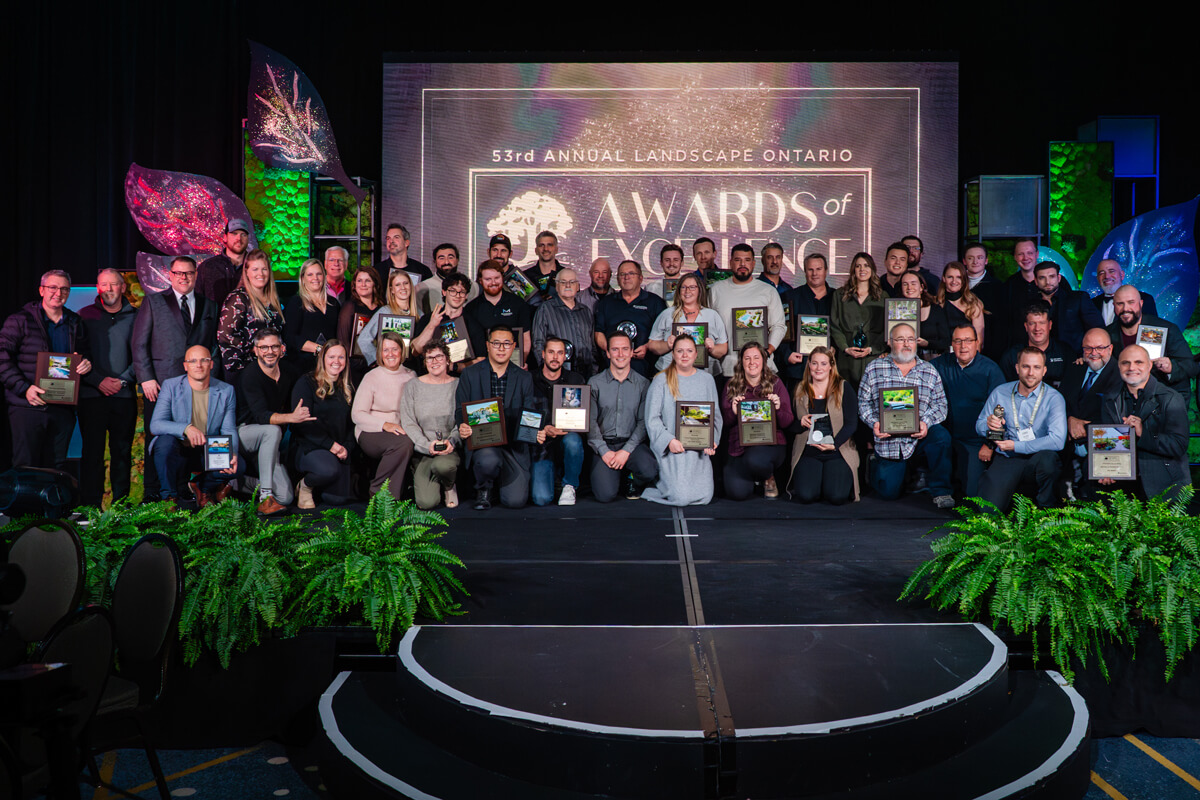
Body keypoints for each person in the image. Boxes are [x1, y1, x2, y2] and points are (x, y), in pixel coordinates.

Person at [132, 255, 219, 501]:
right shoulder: (153, 302)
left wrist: (210, 381)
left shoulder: (209, 305)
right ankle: (152, 492)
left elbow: (213, 347)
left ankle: (181, 490)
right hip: (159, 385)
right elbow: (139, 343)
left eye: (189, 273)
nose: (184, 277)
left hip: (197, 384)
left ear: (195, 275)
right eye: (179, 273)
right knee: (158, 438)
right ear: (170, 275)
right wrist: (146, 378)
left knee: (190, 438)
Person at [0, 270, 92, 470]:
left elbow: (84, 354)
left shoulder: (75, 322)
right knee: (26, 465)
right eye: (53, 287)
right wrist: (25, 389)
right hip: (27, 406)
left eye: (64, 289)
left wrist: (86, 363)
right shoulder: (19, 321)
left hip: (62, 408)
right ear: (41, 290)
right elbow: (2, 359)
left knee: (57, 467)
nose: (58, 293)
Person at [858, 323, 954, 508]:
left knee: (941, 437)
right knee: (888, 493)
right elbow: (863, 403)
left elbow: (941, 405)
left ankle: (941, 491)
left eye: (910, 339)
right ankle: (882, 465)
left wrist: (926, 423)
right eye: (900, 339)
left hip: (919, 438)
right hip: (889, 440)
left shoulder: (929, 370)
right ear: (890, 342)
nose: (906, 344)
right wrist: (875, 423)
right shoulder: (874, 368)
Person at [975, 348, 1067, 513]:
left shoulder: (1054, 398)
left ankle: (1046, 512)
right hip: (1007, 458)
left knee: (1049, 462)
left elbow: (1058, 440)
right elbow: (979, 425)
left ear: (1044, 370)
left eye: (1036, 367)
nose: (1031, 373)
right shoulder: (1000, 392)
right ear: (1017, 368)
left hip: (1037, 457)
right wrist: (988, 425)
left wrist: (1015, 446)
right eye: (1026, 367)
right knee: (987, 513)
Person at [455, 325, 536, 509]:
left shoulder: (524, 377)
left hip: (513, 446)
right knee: (488, 460)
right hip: (484, 443)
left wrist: (534, 432)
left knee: (515, 502)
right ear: (488, 345)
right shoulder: (470, 374)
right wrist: (462, 425)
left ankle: (500, 484)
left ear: (513, 346)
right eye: (496, 343)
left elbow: (529, 413)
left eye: (506, 344)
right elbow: (461, 409)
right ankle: (484, 488)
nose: (501, 348)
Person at [148, 345, 239, 509]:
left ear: (211, 364)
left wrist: (232, 452)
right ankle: (169, 498)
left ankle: (202, 487)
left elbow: (228, 429)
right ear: (185, 366)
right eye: (193, 361)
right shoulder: (171, 386)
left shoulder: (226, 390)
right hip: (179, 448)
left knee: (238, 466)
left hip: (207, 448)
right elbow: (156, 424)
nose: (199, 365)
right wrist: (186, 428)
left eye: (204, 360)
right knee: (164, 443)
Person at [1097, 345, 1191, 503]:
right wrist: (1105, 468)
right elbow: (1109, 441)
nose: (1131, 368)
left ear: (1149, 365)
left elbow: (1178, 445)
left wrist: (1143, 433)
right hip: (1123, 486)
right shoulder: (1110, 398)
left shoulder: (1171, 398)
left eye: (1138, 362)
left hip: (1164, 486)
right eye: (1125, 363)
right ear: (1119, 366)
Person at [77, 269, 137, 508]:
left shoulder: (138, 316)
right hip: (92, 396)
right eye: (104, 284)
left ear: (123, 287)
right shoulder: (84, 316)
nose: (109, 289)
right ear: (97, 287)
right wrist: (98, 381)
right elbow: (77, 355)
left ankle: (120, 508)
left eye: (114, 284)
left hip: (124, 396)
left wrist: (123, 380)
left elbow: (142, 355)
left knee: (122, 453)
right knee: (92, 454)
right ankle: (90, 508)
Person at [641, 335, 721, 506]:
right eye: (680, 351)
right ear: (673, 354)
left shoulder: (707, 380)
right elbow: (652, 419)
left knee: (705, 497)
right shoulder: (661, 380)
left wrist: (712, 440)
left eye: (689, 351)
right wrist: (669, 441)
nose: (685, 355)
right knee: (681, 497)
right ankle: (653, 485)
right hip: (673, 449)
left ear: (696, 354)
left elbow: (715, 417)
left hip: (698, 450)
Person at [236, 330, 309, 514]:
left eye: (274, 346)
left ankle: (233, 483)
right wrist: (292, 417)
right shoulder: (250, 375)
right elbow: (261, 416)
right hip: (244, 434)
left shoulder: (289, 371)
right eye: (264, 347)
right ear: (256, 350)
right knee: (272, 429)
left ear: (282, 349)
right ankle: (265, 498)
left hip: (270, 442)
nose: (270, 351)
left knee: (285, 497)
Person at [931, 325, 1006, 498]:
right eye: (958, 341)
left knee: (972, 495)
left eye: (968, 341)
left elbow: (1001, 411)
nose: (963, 346)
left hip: (975, 441)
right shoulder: (940, 364)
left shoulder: (991, 370)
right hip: (946, 437)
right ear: (952, 344)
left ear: (976, 343)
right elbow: (914, 367)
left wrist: (989, 444)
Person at [587, 332, 659, 502]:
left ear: (632, 352)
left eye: (625, 349)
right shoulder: (594, 383)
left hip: (632, 444)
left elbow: (643, 423)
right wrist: (604, 451)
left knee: (649, 470)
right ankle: (617, 475)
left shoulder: (643, 384)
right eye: (615, 349)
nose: (620, 354)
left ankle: (631, 477)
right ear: (608, 353)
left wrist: (626, 451)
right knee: (605, 495)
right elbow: (590, 421)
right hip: (605, 444)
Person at [721, 342, 794, 500]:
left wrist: (777, 408)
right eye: (747, 358)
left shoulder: (776, 383)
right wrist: (733, 412)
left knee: (755, 459)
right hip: (740, 447)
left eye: (756, 357)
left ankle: (768, 476)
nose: (752, 362)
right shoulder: (731, 385)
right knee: (737, 494)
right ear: (741, 362)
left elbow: (787, 422)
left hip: (769, 446)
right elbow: (725, 422)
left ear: (763, 361)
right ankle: (755, 477)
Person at [787, 346, 859, 504]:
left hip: (837, 451)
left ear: (831, 366)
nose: (818, 368)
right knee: (806, 496)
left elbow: (851, 424)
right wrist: (801, 423)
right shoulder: (800, 389)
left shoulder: (843, 388)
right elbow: (789, 424)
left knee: (837, 497)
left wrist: (834, 444)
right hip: (808, 451)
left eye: (823, 363)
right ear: (809, 365)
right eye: (814, 363)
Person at [352, 331, 418, 501]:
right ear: (380, 353)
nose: (390, 354)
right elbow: (357, 414)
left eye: (394, 349)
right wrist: (384, 425)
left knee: (405, 442)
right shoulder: (371, 377)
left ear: (402, 351)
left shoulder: (411, 375)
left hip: (401, 429)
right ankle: (377, 490)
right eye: (385, 350)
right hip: (371, 430)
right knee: (403, 444)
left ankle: (388, 500)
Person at [290, 339, 355, 509]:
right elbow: (302, 424)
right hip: (310, 446)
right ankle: (305, 485)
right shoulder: (306, 383)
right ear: (322, 359)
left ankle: (323, 483)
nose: (336, 361)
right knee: (328, 470)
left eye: (341, 357)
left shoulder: (348, 387)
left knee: (337, 499)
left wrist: (346, 448)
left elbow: (352, 424)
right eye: (331, 357)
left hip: (338, 448)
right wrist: (331, 445)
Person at [707, 244, 786, 378]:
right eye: (738, 260)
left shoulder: (768, 291)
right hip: (727, 369)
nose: (742, 264)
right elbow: (711, 327)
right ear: (731, 263)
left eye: (747, 260)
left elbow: (779, 326)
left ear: (753, 263)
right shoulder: (716, 290)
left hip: (762, 369)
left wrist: (766, 352)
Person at [399, 341, 461, 510]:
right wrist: (426, 445)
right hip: (424, 451)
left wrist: (452, 441)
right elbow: (408, 422)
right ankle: (419, 472)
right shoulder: (413, 386)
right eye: (429, 358)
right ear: (425, 363)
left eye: (439, 356)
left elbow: (463, 419)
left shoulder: (458, 384)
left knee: (442, 466)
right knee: (426, 503)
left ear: (447, 360)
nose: (434, 361)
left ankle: (449, 486)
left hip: (449, 449)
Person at [1060, 328, 1121, 499]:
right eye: (1088, 348)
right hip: (1068, 449)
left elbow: (1118, 419)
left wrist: (1085, 427)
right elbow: (1060, 402)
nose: (1094, 353)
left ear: (1110, 349)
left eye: (1100, 348)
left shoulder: (1120, 374)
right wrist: (1069, 420)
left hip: (1102, 448)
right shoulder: (1075, 369)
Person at [1106, 285, 1196, 396]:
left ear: (1141, 304)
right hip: (1126, 397)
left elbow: (1191, 367)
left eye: (1131, 302)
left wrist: (1171, 368)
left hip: (1165, 396)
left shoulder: (1166, 329)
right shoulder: (1108, 333)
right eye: (1120, 304)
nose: (1125, 309)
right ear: (1114, 306)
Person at [529, 337, 586, 506]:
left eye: (560, 353)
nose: (555, 357)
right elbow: (523, 414)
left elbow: (582, 418)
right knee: (541, 499)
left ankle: (569, 485)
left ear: (565, 356)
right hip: (541, 444)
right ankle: (553, 478)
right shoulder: (529, 379)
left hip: (566, 438)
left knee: (573, 441)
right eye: (551, 352)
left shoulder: (575, 380)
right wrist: (544, 428)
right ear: (543, 354)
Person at [217, 249, 283, 382]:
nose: (260, 274)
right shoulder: (238, 298)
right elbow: (225, 336)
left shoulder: (272, 300)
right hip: (244, 370)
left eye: (264, 269)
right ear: (246, 272)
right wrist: (256, 348)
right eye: (255, 269)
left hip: (270, 368)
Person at [593, 260, 667, 378]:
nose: (626, 277)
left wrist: (647, 347)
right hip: (612, 369)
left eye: (631, 273)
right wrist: (612, 350)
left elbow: (663, 335)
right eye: (622, 274)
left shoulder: (655, 302)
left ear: (641, 278)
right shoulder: (606, 302)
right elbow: (598, 332)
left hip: (645, 370)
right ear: (618, 279)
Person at [647, 272, 728, 377]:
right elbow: (652, 344)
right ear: (678, 290)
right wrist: (667, 345)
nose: (687, 291)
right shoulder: (667, 314)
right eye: (683, 287)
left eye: (692, 287)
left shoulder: (712, 315)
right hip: (670, 373)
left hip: (705, 374)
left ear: (700, 290)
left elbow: (723, 348)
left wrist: (712, 349)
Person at [777, 252, 834, 386]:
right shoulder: (790, 297)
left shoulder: (837, 297)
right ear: (805, 271)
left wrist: (835, 348)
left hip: (829, 370)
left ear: (826, 271)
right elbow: (780, 329)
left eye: (819, 269)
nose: (815, 273)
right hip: (798, 369)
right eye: (810, 269)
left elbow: (842, 329)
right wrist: (787, 354)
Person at [831, 252, 885, 387]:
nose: (862, 269)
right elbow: (834, 326)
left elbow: (887, 329)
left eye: (866, 265)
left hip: (872, 359)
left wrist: (873, 349)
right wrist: (845, 348)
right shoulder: (840, 295)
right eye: (858, 266)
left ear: (872, 269)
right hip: (847, 360)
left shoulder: (883, 297)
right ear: (853, 270)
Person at [464, 260, 533, 366]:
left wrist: (521, 363)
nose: (493, 283)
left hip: (513, 366)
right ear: (480, 281)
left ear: (502, 278)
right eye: (488, 279)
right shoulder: (471, 309)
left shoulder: (518, 304)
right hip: (482, 368)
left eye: (496, 278)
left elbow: (526, 339)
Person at [531, 268, 595, 375]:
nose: (568, 285)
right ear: (557, 286)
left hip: (586, 373)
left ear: (578, 286)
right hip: (558, 374)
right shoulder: (546, 309)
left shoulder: (586, 311)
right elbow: (538, 343)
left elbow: (592, 346)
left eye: (572, 282)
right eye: (563, 282)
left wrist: (594, 370)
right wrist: (547, 372)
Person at [1034, 261, 1104, 356]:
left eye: (1052, 276)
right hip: (1042, 358)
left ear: (1059, 278)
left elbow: (1097, 329)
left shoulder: (1078, 298)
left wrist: (1085, 354)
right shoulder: (1031, 305)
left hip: (1076, 358)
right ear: (1036, 281)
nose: (1048, 282)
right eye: (1042, 278)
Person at [283, 258, 340, 373]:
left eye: (319, 274)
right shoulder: (297, 302)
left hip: (331, 365)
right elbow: (290, 337)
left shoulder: (334, 303)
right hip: (303, 366)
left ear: (324, 276)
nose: (315, 278)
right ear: (303, 279)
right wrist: (319, 349)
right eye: (310, 274)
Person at [411, 272, 475, 372]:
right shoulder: (428, 319)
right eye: (452, 291)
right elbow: (415, 351)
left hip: (460, 378)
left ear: (466, 295)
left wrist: (454, 367)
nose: (457, 295)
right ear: (444, 292)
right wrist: (432, 325)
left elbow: (481, 360)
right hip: (430, 376)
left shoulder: (472, 322)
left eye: (462, 292)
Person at [1000, 301, 1073, 386]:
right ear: (1026, 326)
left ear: (1050, 325)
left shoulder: (1066, 353)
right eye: (1032, 323)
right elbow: (1005, 389)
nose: (1037, 328)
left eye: (1042, 323)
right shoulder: (1011, 356)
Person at [358, 268, 419, 366]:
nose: (403, 287)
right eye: (397, 285)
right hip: (389, 369)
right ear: (392, 290)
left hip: (412, 368)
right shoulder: (385, 311)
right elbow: (363, 339)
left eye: (406, 283)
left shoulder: (419, 313)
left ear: (411, 286)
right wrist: (379, 361)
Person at [337, 264, 383, 383]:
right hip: (355, 368)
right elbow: (343, 341)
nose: (363, 284)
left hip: (379, 366)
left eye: (367, 281)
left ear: (375, 284)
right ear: (354, 284)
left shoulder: (382, 309)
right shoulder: (349, 307)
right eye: (359, 281)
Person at [962, 243, 1006, 361]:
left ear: (986, 260)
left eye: (980, 258)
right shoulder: (957, 285)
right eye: (970, 258)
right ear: (964, 261)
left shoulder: (998, 287)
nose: (975, 262)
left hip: (989, 347)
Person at [196, 218, 250, 307]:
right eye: (234, 234)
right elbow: (196, 300)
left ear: (247, 239)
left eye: (243, 234)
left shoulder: (254, 268)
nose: (239, 238)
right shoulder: (208, 267)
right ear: (225, 237)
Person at [416, 243, 478, 314]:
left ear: (457, 260)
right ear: (434, 262)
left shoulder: (473, 286)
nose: (446, 262)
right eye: (441, 258)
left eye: (450, 257)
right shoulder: (423, 287)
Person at [935, 262, 986, 348]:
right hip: (940, 352)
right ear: (944, 279)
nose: (954, 281)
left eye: (959, 277)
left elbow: (979, 341)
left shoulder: (973, 304)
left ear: (964, 280)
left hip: (965, 352)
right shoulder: (935, 303)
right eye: (950, 277)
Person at [900, 270, 948, 359]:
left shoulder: (936, 310)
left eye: (913, 283)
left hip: (930, 359)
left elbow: (945, 342)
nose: (909, 287)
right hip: (904, 358)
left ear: (921, 287)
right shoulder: (896, 310)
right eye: (905, 284)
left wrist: (927, 343)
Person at [1093, 258, 1157, 325]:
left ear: (1122, 275)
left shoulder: (1145, 299)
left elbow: (1152, 328)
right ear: (1097, 278)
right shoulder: (1091, 303)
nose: (1107, 276)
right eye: (1101, 273)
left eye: (1111, 271)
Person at [521, 230, 564, 307]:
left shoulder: (566, 275)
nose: (545, 249)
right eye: (541, 245)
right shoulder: (525, 277)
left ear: (556, 249)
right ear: (536, 250)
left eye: (550, 245)